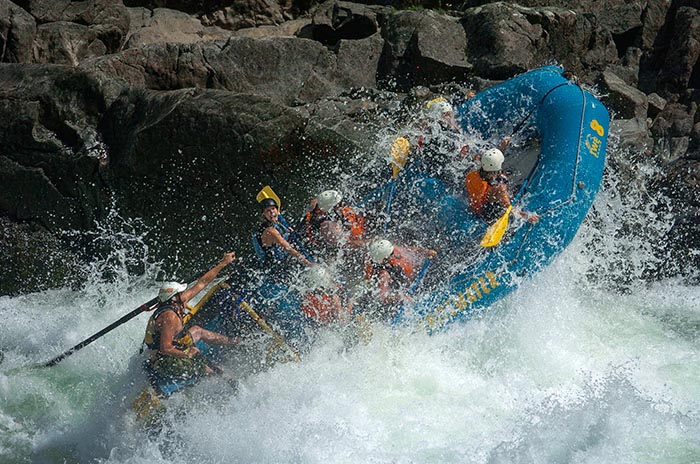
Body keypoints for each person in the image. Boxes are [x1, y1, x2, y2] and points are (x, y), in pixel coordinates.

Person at [142, 252, 239, 389]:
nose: (184, 294)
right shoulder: (168, 317)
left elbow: (203, 282)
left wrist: (223, 263)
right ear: (173, 298)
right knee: (211, 369)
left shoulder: (178, 301)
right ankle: (225, 384)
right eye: (180, 293)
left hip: (174, 346)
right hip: (163, 361)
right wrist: (187, 354)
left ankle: (234, 342)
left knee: (197, 330)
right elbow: (165, 348)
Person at [465, 147, 539, 224]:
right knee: (506, 185)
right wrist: (527, 216)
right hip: (484, 213)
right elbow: (509, 208)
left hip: (472, 206)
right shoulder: (499, 187)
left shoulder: (470, 175)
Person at [363, 239, 436, 308]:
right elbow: (382, 297)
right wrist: (400, 297)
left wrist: (426, 251)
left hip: (415, 273)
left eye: (392, 252)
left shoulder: (391, 249)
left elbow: (409, 249)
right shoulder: (384, 274)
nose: (394, 254)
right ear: (384, 260)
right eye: (391, 254)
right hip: (408, 284)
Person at [302, 190, 369, 257]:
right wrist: (369, 244)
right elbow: (347, 244)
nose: (342, 204)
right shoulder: (327, 226)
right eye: (339, 203)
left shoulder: (320, 203)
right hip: (320, 253)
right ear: (332, 208)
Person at [254, 197, 313, 268]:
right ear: (263, 215)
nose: (272, 212)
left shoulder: (274, 221)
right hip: (272, 268)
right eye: (268, 211)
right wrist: (308, 263)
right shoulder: (270, 231)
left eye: (273, 209)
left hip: (279, 257)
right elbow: (288, 248)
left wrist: (287, 230)